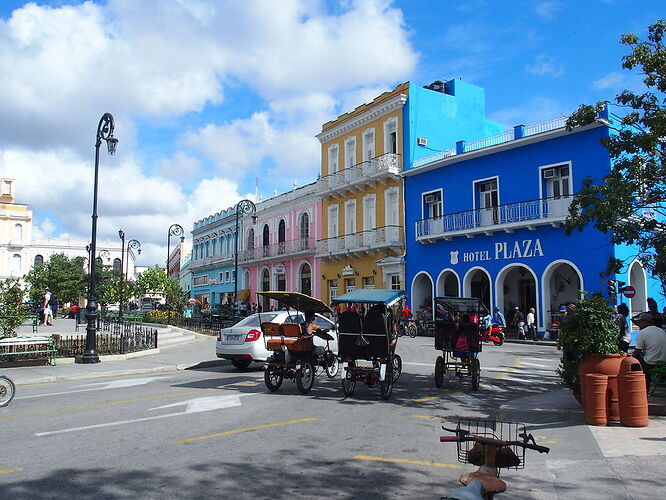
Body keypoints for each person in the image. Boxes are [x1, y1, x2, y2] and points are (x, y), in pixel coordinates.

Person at [632, 312, 666, 391]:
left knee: (634, 363)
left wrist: (629, 358)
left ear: (646, 322)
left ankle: (643, 387)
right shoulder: (661, 331)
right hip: (663, 361)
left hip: (651, 362)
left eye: (640, 321)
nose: (639, 324)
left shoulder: (642, 333)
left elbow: (637, 352)